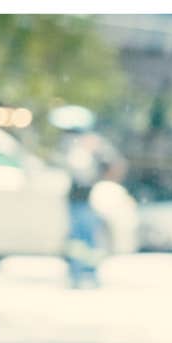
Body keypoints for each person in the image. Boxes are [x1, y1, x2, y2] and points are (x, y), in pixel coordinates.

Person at [50, 105, 125, 289]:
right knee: (81, 239)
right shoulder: (84, 144)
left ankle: (84, 272)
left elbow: (113, 165)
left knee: (83, 238)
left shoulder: (87, 144)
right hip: (81, 199)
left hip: (86, 199)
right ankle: (82, 272)